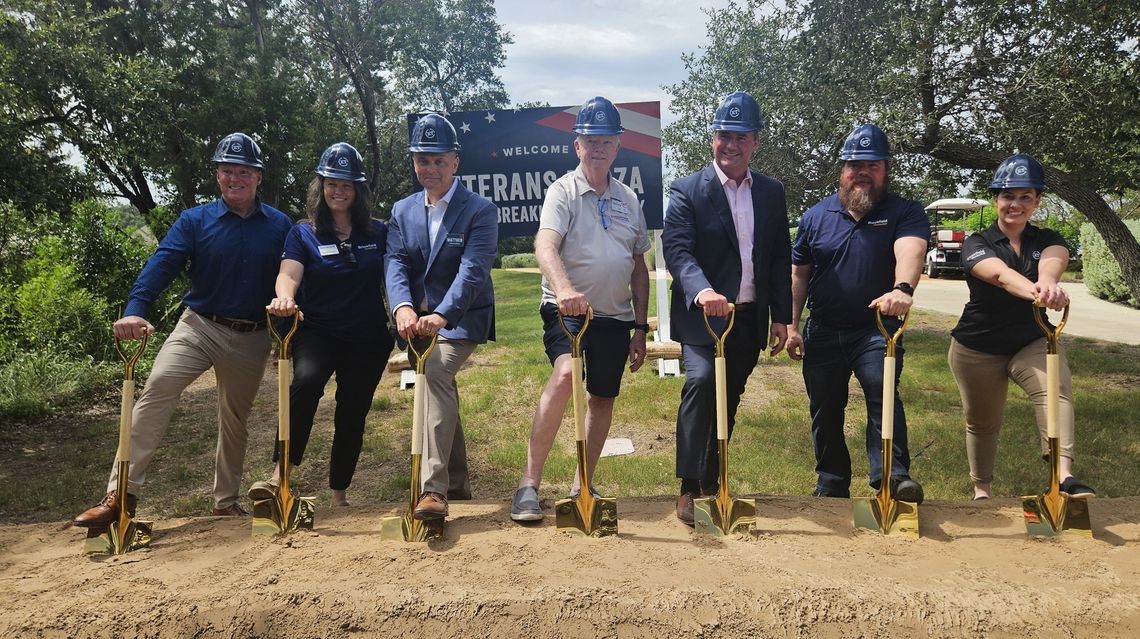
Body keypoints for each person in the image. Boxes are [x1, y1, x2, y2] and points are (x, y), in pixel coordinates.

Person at [74, 132, 292, 526]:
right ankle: (119, 495)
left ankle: (225, 501)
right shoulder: (195, 221)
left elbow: (292, 276)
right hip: (199, 326)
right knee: (157, 389)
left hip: (252, 334)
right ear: (217, 176)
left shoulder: (279, 225)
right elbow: (162, 264)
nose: (235, 179)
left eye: (244, 171)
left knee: (234, 419)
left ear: (258, 177)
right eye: (227, 171)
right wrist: (136, 309)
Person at [510, 96, 650, 522]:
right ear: (577, 146)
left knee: (602, 398)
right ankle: (528, 485)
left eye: (606, 141)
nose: (598, 148)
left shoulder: (629, 198)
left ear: (617, 146)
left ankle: (581, 485)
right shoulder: (563, 191)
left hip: (615, 316)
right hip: (566, 310)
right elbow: (545, 245)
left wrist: (641, 326)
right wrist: (565, 287)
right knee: (567, 374)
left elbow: (639, 266)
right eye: (590, 141)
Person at [662, 91, 792, 525]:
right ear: (712, 139)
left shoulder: (771, 192)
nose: (730, 145)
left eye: (740, 137)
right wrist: (702, 290)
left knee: (729, 397)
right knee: (701, 384)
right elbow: (678, 252)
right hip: (704, 317)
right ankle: (687, 485)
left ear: (755, 142)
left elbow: (777, 257)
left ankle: (714, 481)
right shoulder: (686, 191)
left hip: (749, 316)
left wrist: (783, 318)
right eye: (722, 135)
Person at [784, 123, 928, 503]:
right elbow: (799, 274)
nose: (862, 172)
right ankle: (831, 482)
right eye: (854, 165)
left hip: (877, 330)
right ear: (842, 170)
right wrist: (792, 325)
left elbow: (910, 250)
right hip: (824, 330)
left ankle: (893, 479)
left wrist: (902, 289)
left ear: (885, 170)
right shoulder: (815, 216)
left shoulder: (905, 212)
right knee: (825, 408)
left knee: (883, 396)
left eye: (873, 165)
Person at [250, 142, 393, 507]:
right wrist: (285, 296)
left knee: (353, 408)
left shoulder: (378, 232)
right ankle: (280, 477)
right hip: (318, 331)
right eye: (332, 183)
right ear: (321, 186)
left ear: (358, 190)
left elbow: (399, 274)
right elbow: (288, 273)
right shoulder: (304, 232)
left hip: (367, 337)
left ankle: (339, 494)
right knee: (307, 383)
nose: (338, 191)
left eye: (347, 184)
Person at [948, 154, 1095, 500]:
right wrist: (1039, 292)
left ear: (1037, 201)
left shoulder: (1049, 239)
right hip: (977, 346)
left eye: (1025, 196)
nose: (1016, 204)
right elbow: (999, 275)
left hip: (1030, 339)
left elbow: (1051, 266)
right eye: (1008, 196)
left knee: (1055, 392)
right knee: (982, 422)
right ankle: (981, 490)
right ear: (996, 200)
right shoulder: (976, 243)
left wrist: (1047, 283)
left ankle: (1063, 475)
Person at [385, 113, 498, 522]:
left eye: (438, 160)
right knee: (439, 380)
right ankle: (459, 480)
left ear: (455, 162)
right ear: (414, 162)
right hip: (415, 322)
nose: (429, 169)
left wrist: (442, 315)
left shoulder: (480, 210)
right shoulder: (401, 211)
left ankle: (434, 490)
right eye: (422, 160)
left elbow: (473, 270)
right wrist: (402, 307)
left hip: (462, 319)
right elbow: (395, 262)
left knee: (434, 371)